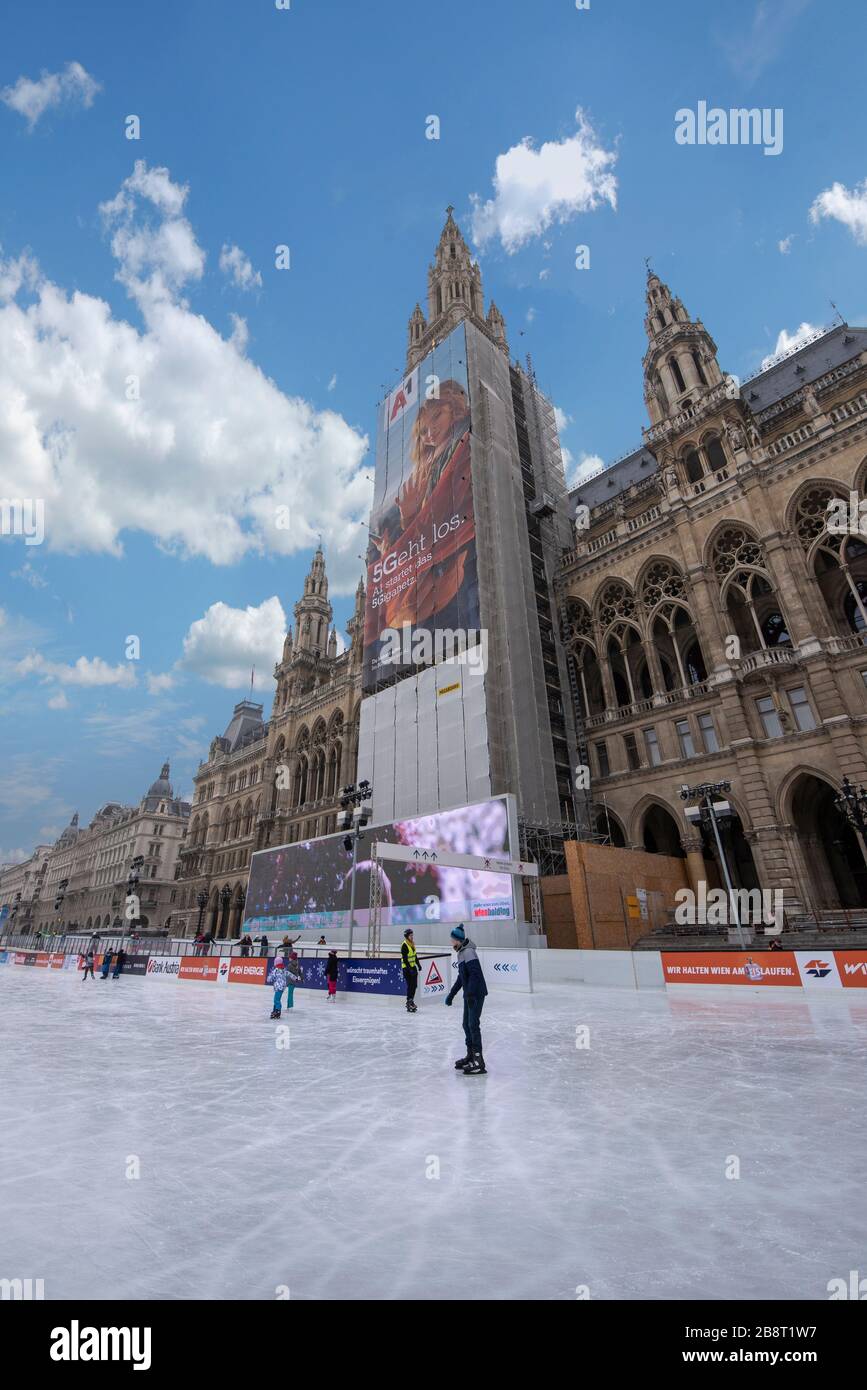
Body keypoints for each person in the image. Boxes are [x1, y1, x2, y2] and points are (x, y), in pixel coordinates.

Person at [445, 925, 488, 1075]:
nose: (451, 942)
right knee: (466, 1024)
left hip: (476, 993)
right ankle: (471, 1055)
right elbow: (461, 978)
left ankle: (478, 1059)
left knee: (473, 1024)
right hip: (469, 994)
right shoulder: (461, 953)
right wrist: (452, 994)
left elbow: (475, 975)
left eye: (452, 940)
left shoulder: (468, 952)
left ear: (457, 940)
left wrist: (470, 994)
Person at [401, 928, 420, 1013]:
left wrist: (418, 964)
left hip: (413, 967)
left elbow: (414, 956)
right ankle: (409, 1002)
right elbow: (405, 959)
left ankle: (411, 1000)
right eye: (410, 935)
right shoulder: (404, 945)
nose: (412, 937)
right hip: (406, 968)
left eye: (412, 935)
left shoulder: (412, 944)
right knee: (410, 985)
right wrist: (409, 969)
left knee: (414, 985)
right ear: (407, 936)